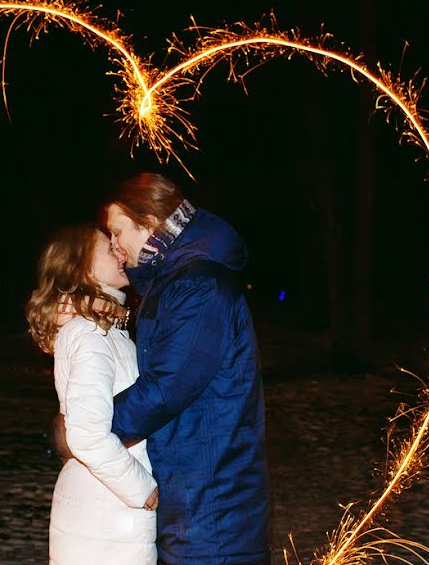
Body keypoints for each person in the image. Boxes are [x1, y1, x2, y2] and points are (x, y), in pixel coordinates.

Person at [105, 173, 270, 564]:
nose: (113, 246)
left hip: (212, 517)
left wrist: (85, 425)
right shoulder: (176, 283)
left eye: (117, 232)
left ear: (147, 222)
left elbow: (165, 389)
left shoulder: (198, 287)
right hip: (198, 507)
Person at [26, 224, 160, 565]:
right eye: (106, 247)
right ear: (80, 267)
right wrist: (141, 489)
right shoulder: (89, 333)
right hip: (105, 519)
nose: (118, 251)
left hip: (105, 511)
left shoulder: (106, 330)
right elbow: (85, 434)